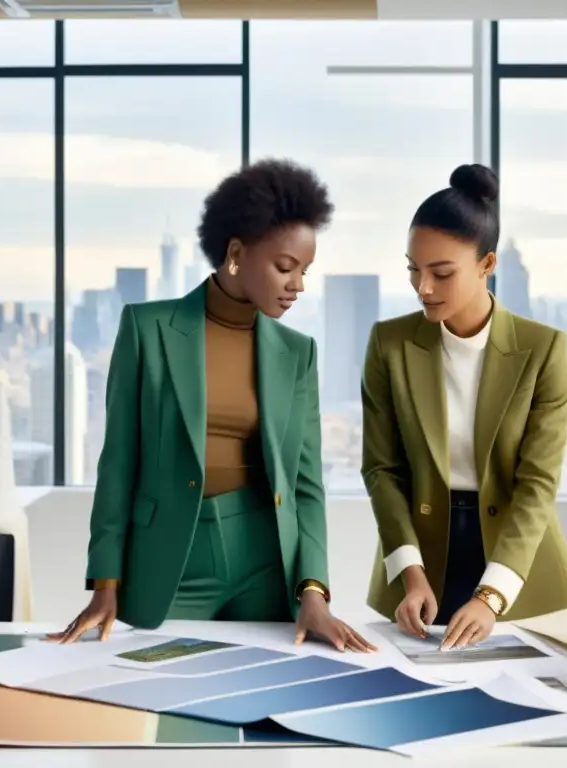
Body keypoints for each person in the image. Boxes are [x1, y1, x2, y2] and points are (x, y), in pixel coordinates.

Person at [50, 158, 375, 653]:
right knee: (160, 689)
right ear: (237, 253)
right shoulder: (148, 329)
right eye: (286, 267)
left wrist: (314, 590)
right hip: (175, 556)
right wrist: (105, 583)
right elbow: (118, 463)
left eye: (305, 271)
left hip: (267, 560)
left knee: (262, 695)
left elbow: (305, 483)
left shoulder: (297, 353)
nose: (298, 285)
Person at [361, 163, 567, 651]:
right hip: (422, 559)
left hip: (515, 564)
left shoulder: (543, 348)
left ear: (487, 265)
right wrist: (409, 573)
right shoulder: (389, 343)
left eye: (441, 273)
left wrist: (491, 596)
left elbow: (538, 485)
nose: (423, 287)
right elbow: (381, 469)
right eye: (413, 270)